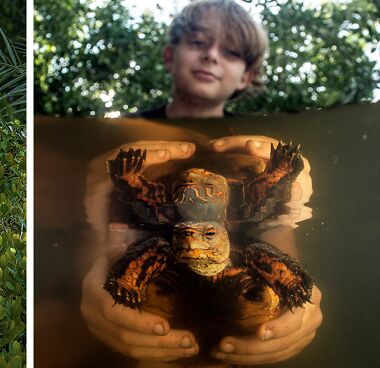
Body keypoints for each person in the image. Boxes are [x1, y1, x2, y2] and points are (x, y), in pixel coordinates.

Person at [80, 1, 323, 366]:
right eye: (198, 42)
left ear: (246, 76)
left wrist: (282, 174)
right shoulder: (114, 126)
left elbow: (274, 233)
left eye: (230, 51)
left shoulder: (256, 138)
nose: (211, 56)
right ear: (169, 55)